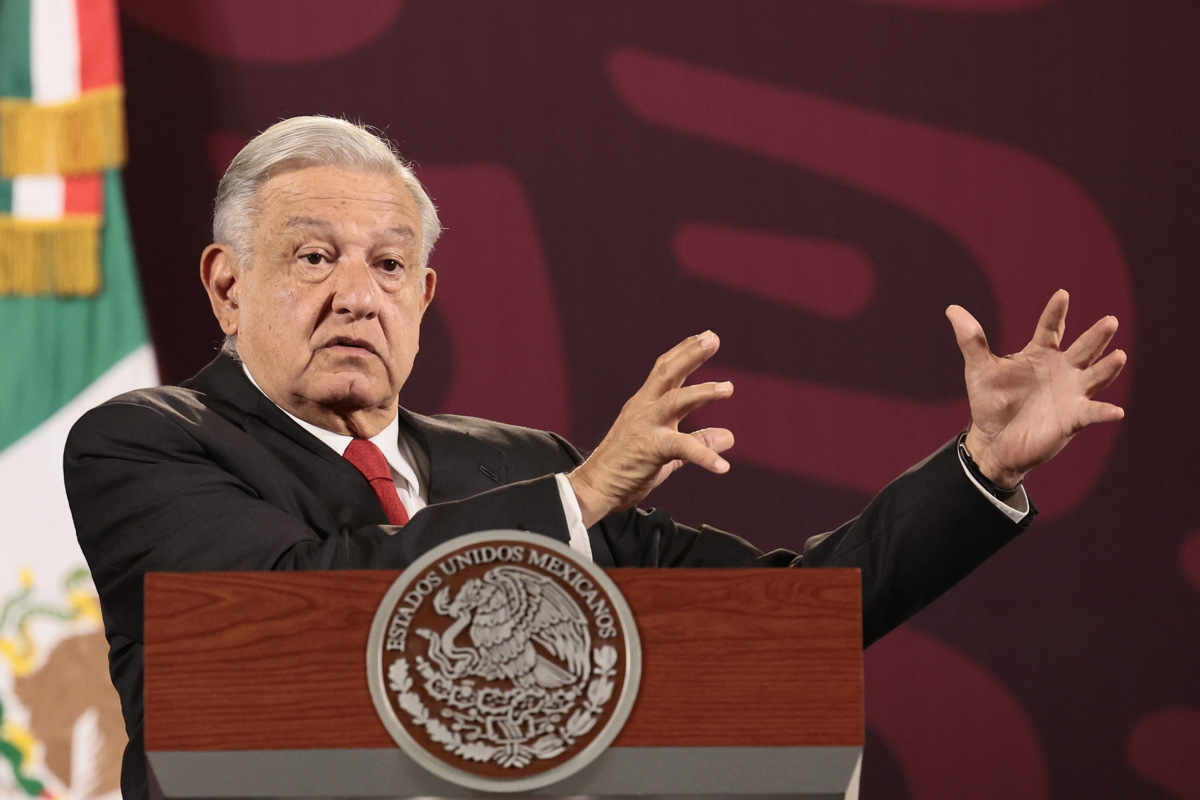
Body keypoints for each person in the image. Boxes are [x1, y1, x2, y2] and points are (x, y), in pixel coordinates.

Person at [64, 116, 1126, 800]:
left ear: (425, 298)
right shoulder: (147, 443)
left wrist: (980, 467)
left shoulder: (515, 463)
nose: (357, 293)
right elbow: (298, 621)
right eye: (312, 256)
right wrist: (576, 497)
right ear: (225, 284)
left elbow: (787, 612)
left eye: (391, 264)